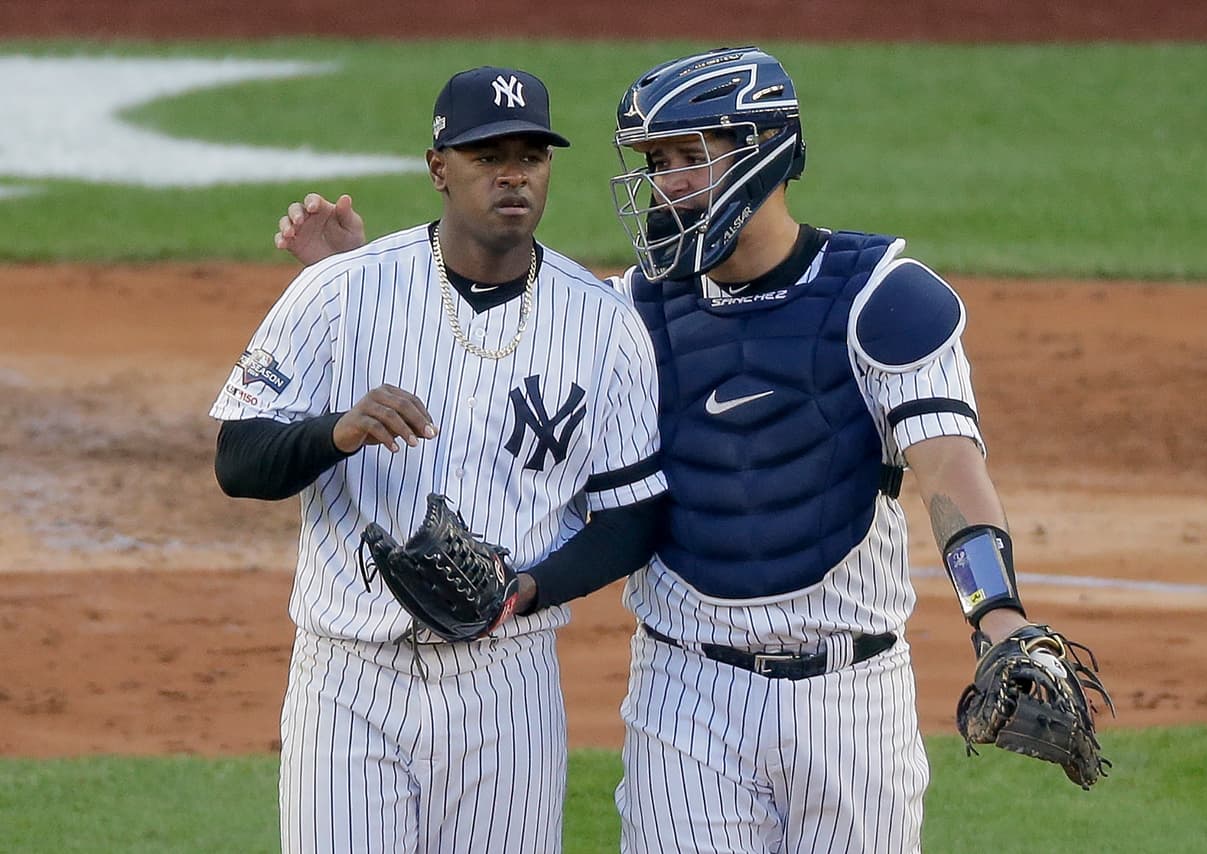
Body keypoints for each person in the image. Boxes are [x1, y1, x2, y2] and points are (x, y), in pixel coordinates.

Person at [276, 46, 1099, 854]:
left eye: (686, 158)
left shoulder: (882, 297)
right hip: (686, 697)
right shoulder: (626, 312)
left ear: (762, 149)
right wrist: (360, 283)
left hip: (854, 699)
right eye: (655, 160)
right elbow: (479, 386)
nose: (665, 184)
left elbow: (948, 465)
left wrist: (997, 614)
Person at [213, 65, 667, 854]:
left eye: (532, 154)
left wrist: (526, 588)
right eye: (488, 155)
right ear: (438, 168)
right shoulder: (338, 292)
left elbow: (632, 519)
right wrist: (335, 433)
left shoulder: (604, 325)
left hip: (508, 680)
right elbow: (237, 460)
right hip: (350, 678)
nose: (514, 174)